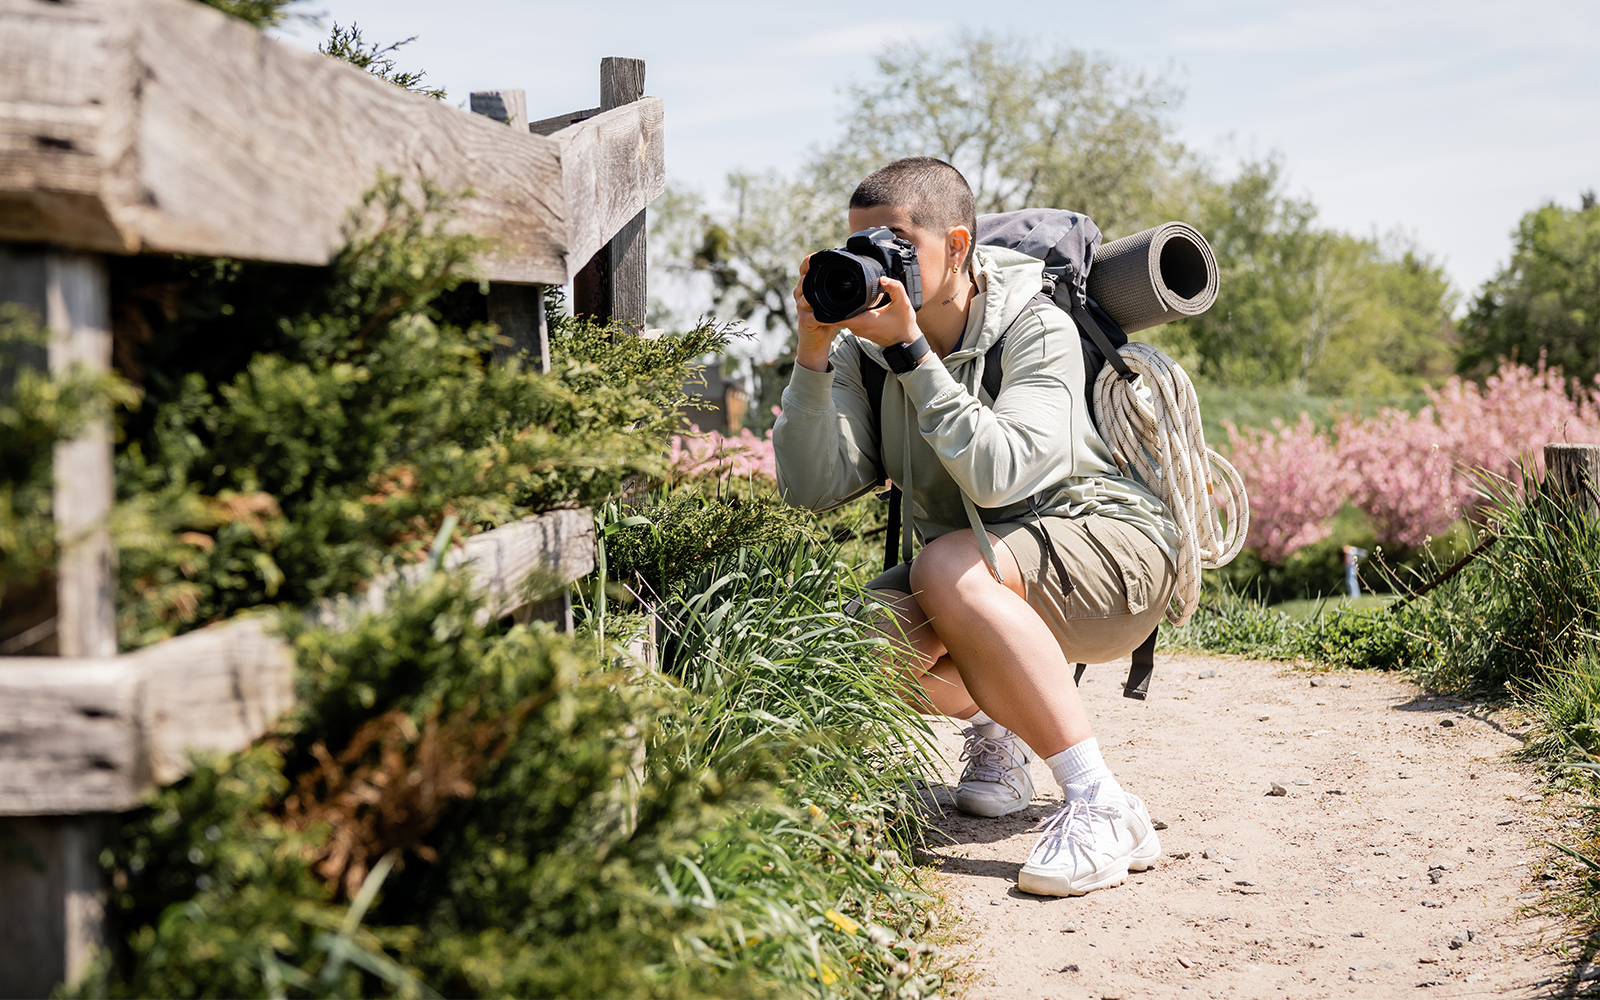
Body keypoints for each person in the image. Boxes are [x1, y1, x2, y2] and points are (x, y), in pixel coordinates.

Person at [772, 157, 1179, 897]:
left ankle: (1101, 803)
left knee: (945, 568)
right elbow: (809, 486)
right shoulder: (866, 354)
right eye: (858, 247)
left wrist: (914, 354)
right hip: (989, 573)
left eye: (892, 245)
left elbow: (1001, 474)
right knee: (859, 643)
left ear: (956, 247)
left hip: (1112, 556)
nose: (872, 266)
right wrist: (811, 351)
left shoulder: (1036, 324)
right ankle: (1003, 733)